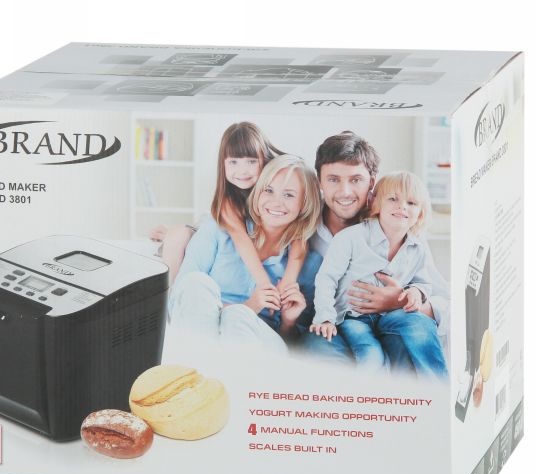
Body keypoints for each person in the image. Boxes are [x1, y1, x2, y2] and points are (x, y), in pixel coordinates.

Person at [302, 131, 449, 375]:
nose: (345, 191)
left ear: (371, 183)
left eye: (356, 180)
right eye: (333, 179)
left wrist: (400, 300)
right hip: (340, 323)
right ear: (320, 182)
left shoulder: (404, 229)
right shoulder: (305, 229)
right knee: (318, 349)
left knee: (407, 345)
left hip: (395, 321)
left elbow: (441, 297)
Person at [169, 155, 322, 354]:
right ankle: (204, 366)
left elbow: (295, 348)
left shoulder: (310, 265)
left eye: (289, 195)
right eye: (269, 190)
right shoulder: (217, 231)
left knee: (238, 316)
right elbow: (181, 300)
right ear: (257, 192)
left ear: (304, 203)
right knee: (195, 281)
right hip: (204, 333)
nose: (276, 202)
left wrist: (288, 322)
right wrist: (250, 306)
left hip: (262, 345)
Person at [150, 122, 307, 292]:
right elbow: (241, 238)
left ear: (264, 159)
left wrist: (288, 281)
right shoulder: (229, 201)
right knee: (177, 235)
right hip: (211, 228)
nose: (242, 171)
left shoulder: (279, 177)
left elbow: (300, 234)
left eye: (251, 161)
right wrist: (263, 283)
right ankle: (171, 297)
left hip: (236, 230)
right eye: (233, 162)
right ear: (223, 163)